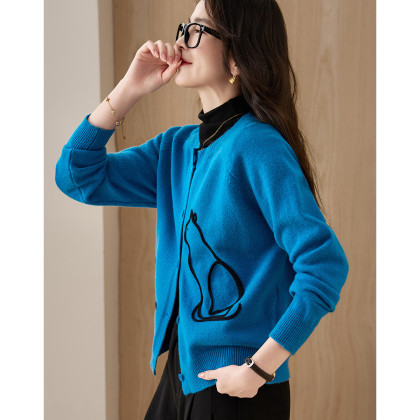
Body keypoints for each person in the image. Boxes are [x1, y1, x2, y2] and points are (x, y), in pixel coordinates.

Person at [55, 0, 350, 418]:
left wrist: (258, 368)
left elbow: (324, 265)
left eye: (197, 30)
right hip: (181, 375)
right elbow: (76, 176)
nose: (180, 42)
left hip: (235, 388)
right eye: (183, 28)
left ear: (238, 56)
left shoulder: (258, 147)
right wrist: (129, 88)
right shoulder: (175, 149)